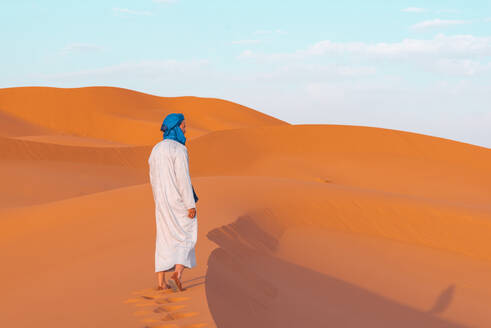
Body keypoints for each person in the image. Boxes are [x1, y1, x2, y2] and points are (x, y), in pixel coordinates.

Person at [148, 113, 198, 292]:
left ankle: (161, 281)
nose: (185, 129)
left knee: (163, 236)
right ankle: (178, 273)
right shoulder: (179, 149)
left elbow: (152, 176)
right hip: (177, 199)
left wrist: (158, 199)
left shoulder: (156, 149)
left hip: (161, 200)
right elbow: (183, 179)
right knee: (187, 234)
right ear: (176, 127)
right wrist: (190, 204)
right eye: (184, 126)